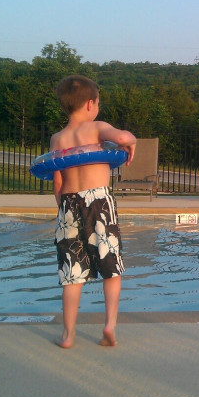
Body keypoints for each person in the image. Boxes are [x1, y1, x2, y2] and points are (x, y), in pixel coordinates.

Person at [50, 75, 136, 348]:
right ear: (90, 104)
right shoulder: (97, 127)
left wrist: (64, 210)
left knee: (72, 272)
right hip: (98, 201)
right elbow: (122, 137)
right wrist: (130, 142)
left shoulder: (57, 138)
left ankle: (68, 334)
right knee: (111, 267)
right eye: (98, 102)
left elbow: (58, 182)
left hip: (68, 203)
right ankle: (109, 325)